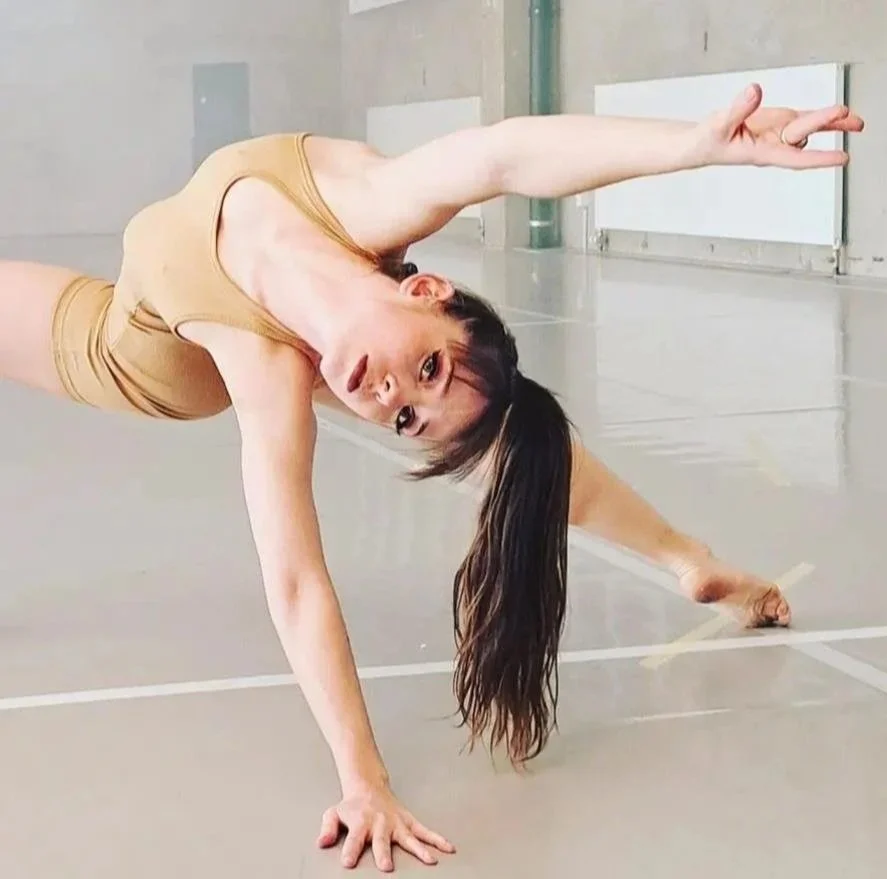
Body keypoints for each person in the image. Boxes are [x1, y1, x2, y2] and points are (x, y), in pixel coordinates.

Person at [0, 82, 863, 872]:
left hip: (121, 358)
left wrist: (362, 778)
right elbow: (504, 153)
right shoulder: (360, 199)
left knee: (496, 439)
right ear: (427, 291)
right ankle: (686, 557)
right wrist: (698, 145)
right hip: (117, 300)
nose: (387, 398)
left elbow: (297, 581)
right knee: (511, 437)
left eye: (406, 417)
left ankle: (682, 554)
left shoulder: (267, 375)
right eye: (428, 371)